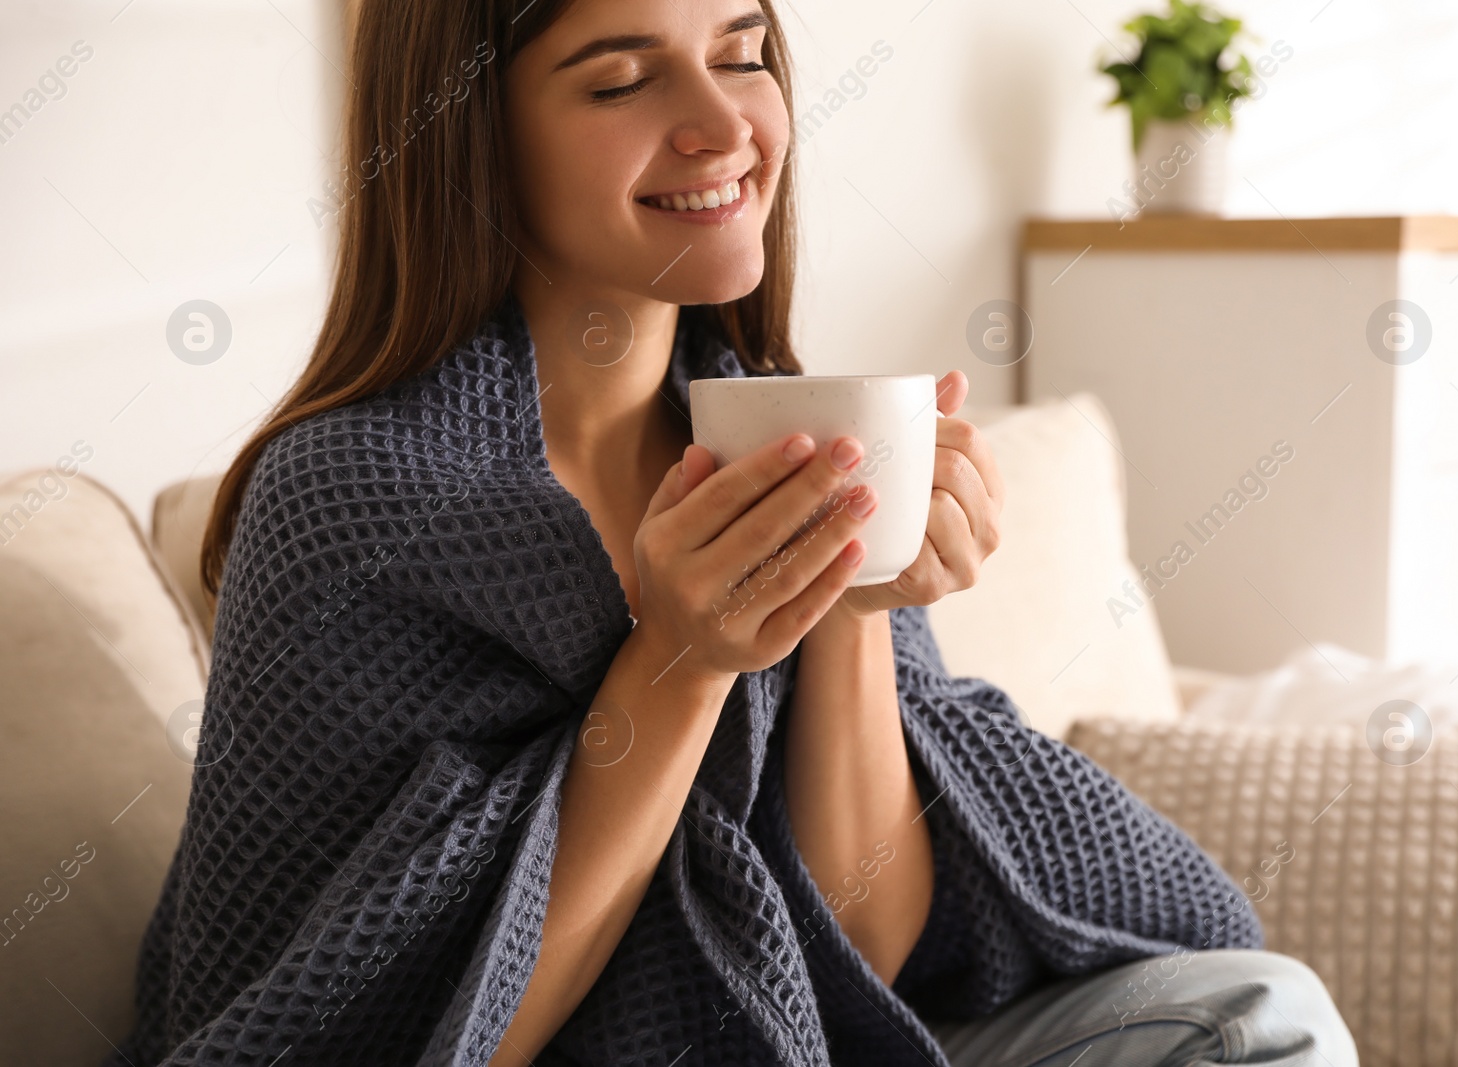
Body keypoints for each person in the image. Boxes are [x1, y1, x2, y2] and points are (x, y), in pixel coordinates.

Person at [113, 1, 1358, 1064]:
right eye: (621, 78)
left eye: (744, 51)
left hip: (817, 1027)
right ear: (471, 137)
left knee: (1250, 1015)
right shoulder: (348, 499)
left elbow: (867, 944)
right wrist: (680, 659)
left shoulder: (788, 423)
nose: (723, 128)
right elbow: (421, 1026)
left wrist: (855, 609)